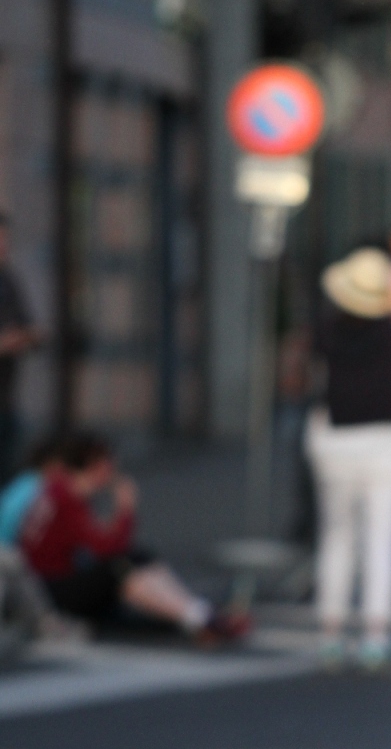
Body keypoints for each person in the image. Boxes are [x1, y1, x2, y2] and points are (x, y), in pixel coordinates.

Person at [306, 247, 391, 671]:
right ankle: (376, 635)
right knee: (382, 539)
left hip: (334, 441)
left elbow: (306, 384)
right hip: (388, 445)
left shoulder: (324, 334)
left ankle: (330, 632)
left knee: (337, 536)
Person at [19, 433, 245, 641]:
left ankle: (198, 614)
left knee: (136, 563)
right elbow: (107, 547)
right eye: (109, 461)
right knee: (123, 564)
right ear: (95, 464)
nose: (114, 468)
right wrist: (125, 508)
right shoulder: (67, 497)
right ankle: (200, 616)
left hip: (50, 582)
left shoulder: (58, 489)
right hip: (52, 589)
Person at [0, 214, 43, 483]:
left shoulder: (9, 280)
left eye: (5, 239)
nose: (3, 246)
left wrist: (29, 337)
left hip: (7, 399)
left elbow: (29, 325)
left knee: (13, 475)